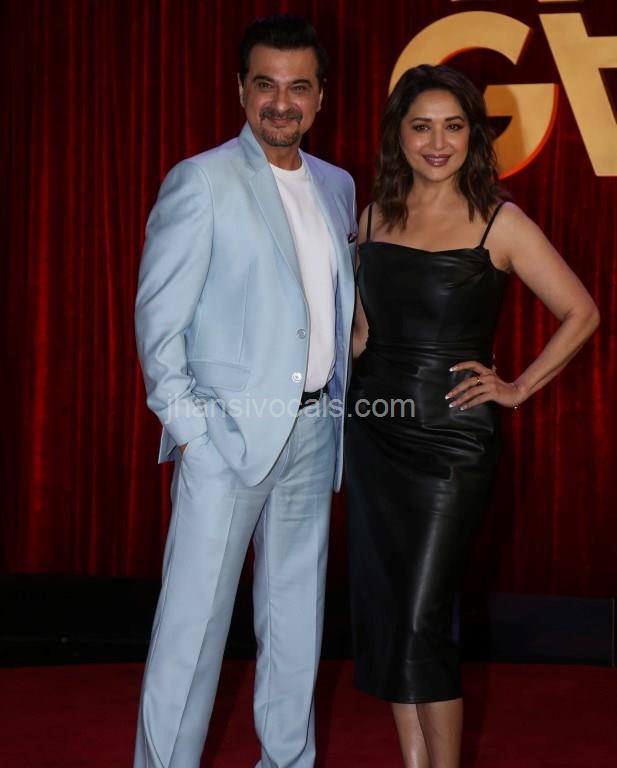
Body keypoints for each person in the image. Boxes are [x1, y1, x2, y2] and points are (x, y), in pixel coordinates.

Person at [345, 64, 599, 768]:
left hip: (452, 447)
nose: (437, 142)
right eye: (421, 126)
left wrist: (516, 388)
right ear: (398, 135)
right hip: (372, 436)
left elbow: (581, 312)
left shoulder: (499, 221)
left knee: (423, 616)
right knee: (389, 612)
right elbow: (361, 335)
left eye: (453, 126)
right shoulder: (371, 217)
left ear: (473, 136)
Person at [133, 15, 356, 768]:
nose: (281, 103)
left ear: (320, 97)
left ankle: (287, 762)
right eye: (266, 84)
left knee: (296, 625)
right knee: (191, 631)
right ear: (240, 90)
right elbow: (157, 325)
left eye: (298, 87)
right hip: (226, 440)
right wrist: (196, 436)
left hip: (315, 433)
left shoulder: (337, 186)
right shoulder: (200, 181)